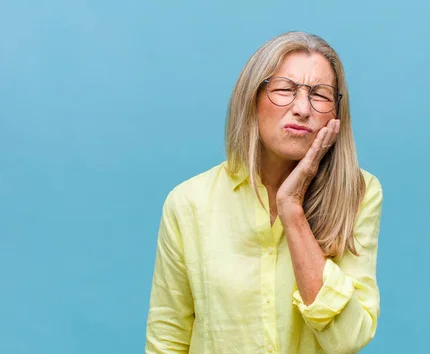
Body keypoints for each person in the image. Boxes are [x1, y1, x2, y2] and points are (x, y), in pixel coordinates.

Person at [145, 31, 383, 354]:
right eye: (285, 89)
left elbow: (347, 339)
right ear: (252, 99)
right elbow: (167, 340)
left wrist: (292, 210)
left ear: (337, 114)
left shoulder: (359, 194)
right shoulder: (188, 203)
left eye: (320, 94)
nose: (302, 108)